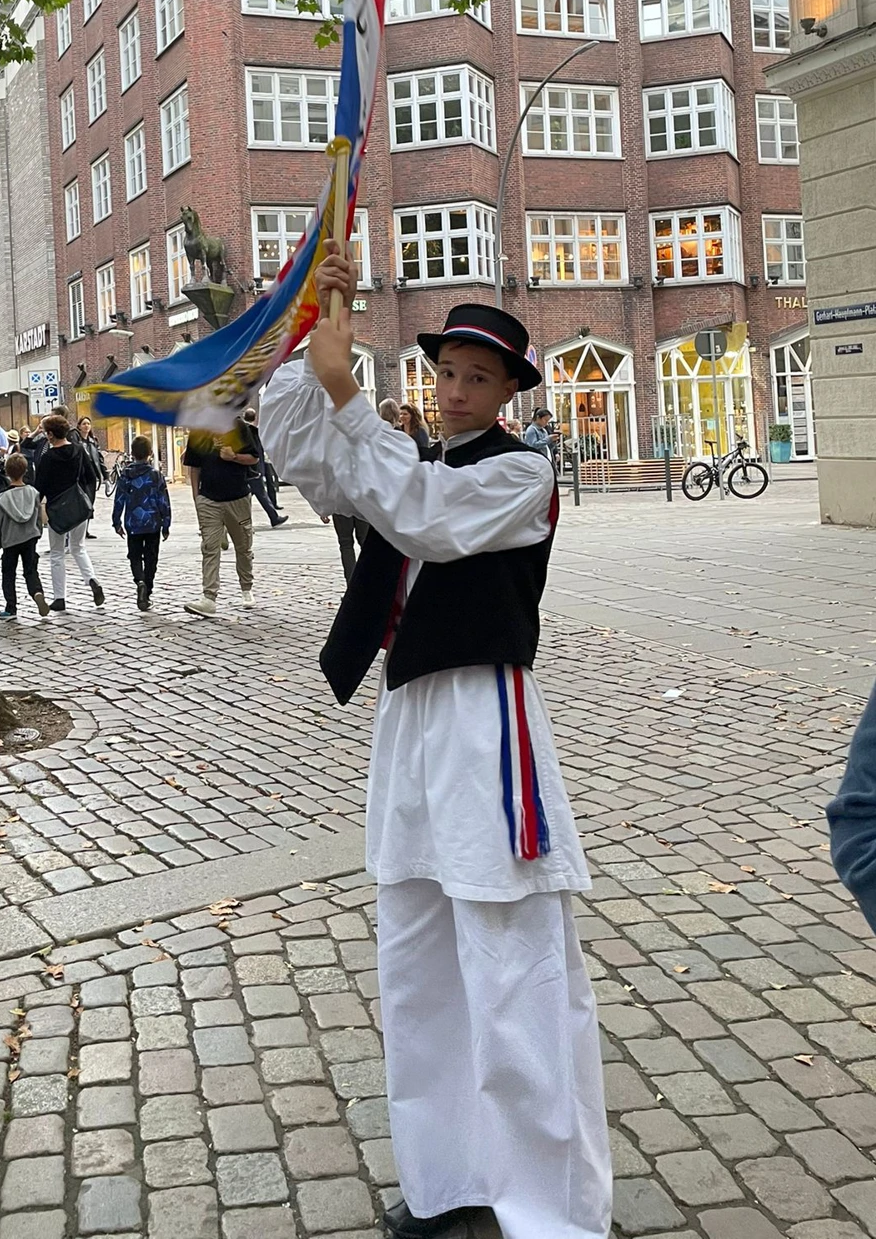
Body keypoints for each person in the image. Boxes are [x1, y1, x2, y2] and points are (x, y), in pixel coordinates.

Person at [262, 242, 609, 1239]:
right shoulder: (415, 455)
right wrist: (312, 340)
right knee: (415, 955)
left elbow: (420, 521)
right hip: (411, 717)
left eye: (476, 377)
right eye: (445, 373)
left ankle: (546, 1210)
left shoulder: (521, 471)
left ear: (508, 389)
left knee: (510, 959)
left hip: (484, 718)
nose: (455, 391)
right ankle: (445, 1180)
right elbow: (311, 464)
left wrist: (350, 401)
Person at [181, 421, 258, 617]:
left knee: (243, 547)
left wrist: (234, 457)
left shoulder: (240, 428)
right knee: (209, 547)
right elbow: (194, 468)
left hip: (238, 499)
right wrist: (197, 498)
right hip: (209, 500)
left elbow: (254, 458)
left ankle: (246, 588)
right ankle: (209, 598)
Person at [34, 414, 104, 613]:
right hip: (78, 505)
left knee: (57, 554)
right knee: (78, 547)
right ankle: (92, 580)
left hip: (57, 509)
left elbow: (40, 487)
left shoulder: (48, 458)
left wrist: (35, 509)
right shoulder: (79, 450)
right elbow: (91, 477)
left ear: (49, 435)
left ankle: (60, 598)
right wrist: (87, 500)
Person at [112, 436, 172, 611]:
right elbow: (164, 501)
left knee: (135, 555)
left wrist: (116, 521)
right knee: (151, 557)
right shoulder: (155, 475)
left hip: (133, 523)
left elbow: (119, 499)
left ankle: (139, 580)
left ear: (132, 453)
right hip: (153, 522)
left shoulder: (126, 474)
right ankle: (148, 590)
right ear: (150, 453)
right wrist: (166, 523)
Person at [0, 453, 48, 620]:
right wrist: (38, 532)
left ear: (7, 472)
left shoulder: (3, 498)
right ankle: (37, 592)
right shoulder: (33, 492)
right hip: (30, 537)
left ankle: (11, 607)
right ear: (25, 471)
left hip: (10, 540)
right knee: (30, 570)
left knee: (8, 573)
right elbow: (39, 516)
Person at [240, 408, 289, 527]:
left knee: (250, 495)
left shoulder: (244, 431)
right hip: (253, 470)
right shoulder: (254, 431)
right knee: (258, 494)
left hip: (247, 470)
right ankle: (274, 518)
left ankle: (273, 517)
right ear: (255, 417)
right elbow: (257, 453)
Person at [74, 417, 107, 537]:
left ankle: (86, 529)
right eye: (84, 424)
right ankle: (79, 530)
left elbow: (99, 459)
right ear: (79, 426)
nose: (86, 426)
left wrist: (105, 476)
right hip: (80, 476)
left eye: (88, 424)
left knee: (90, 503)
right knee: (81, 503)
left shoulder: (93, 441)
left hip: (91, 476)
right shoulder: (76, 442)